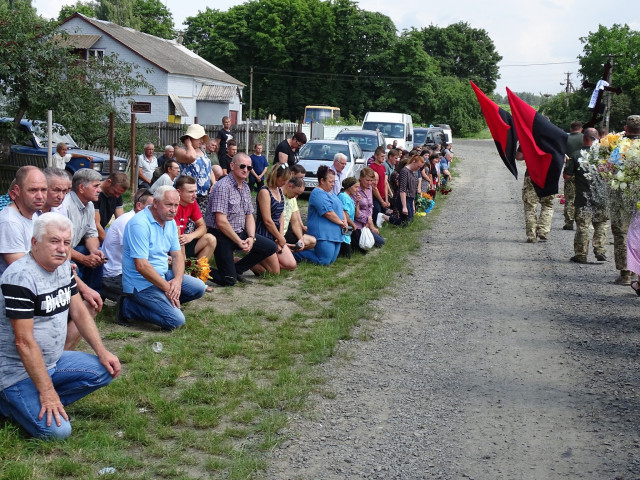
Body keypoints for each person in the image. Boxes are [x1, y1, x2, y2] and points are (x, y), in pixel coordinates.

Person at [0, 212, 120, 440]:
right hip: (15, 371)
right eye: (54, 241)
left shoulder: (63, 267)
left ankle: (36, 403)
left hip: (52, 362)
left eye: (66, 243)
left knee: (106, 369)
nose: (62, 249)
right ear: (35, 242)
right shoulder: (20, 278)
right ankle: (10, 403)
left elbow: (79, 312)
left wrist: (102, 351)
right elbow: (23, 342)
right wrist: (47, 393)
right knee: (58, 432)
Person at [120, 186, 206, 330]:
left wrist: (177, 281)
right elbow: (141, 266)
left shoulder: (170, 222)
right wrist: (167, 288)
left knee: (199, 287)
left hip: (163, 274)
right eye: (169, 205)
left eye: (176, 205)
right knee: (176, 321)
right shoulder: (139, 224)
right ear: (155, 202)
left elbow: (177, 255)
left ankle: (165, 302)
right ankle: (128, 307)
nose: (173, 210)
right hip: (141, 284)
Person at [205, 153, 278, 286]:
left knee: (270, 247)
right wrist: (239, 241)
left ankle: (237, 269)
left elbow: (249, 215)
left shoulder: (245, 186)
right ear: (232, 166)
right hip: (221, 235)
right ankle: (197, 269)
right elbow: (221, 222)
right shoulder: (222, 187)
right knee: (228, 281)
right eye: (242, 166)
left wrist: (251, 237)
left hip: (239, 232)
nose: (246, 170)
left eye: (249, 168)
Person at [101, 188, 154, 301]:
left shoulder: (141, 221)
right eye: (151, 206)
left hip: (126, 271)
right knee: (151, 291)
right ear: (139, 206)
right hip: (115, 275)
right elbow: (138, 257)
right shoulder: (128, 222)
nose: (155, 209)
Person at [564, 128, 608, 264]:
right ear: (598, 138)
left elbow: (566, 176)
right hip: (602, 198)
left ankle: (581, 254)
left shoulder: (576, 155)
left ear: (584, 138)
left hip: (584, 198)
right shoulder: (605, 156)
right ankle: (600, 250)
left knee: (583, 226)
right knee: (600, 224)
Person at [63, 169, 106, 292]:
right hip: (61, 252)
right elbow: (60, 245)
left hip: (71, 249)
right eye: (96, 186)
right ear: (81, 188)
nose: (100, 190)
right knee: (75, 266)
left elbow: (91, 234)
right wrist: (84, 259)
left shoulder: (90, 205)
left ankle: (94, 295)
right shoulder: (64, 206)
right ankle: (79, 296)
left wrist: (94, 251)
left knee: (98, 256)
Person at [294, 166, 346, 266]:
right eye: (330, 181)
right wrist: (341, 223)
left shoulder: (331, 192)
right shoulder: (317, 193)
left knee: (331, 260)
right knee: (324, 261)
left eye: (334, 181)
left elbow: (340, 207)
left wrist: (345, 221)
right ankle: (294, 254)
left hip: (336, 232)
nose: (333, 184)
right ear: (322, 180)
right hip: (323, 233)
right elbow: (328, 212)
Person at [0, 166, 47, 276]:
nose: (40, 196)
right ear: (16, 191)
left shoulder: (34, 214)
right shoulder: (9, 222)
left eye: (43, 190)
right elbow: (21, 269)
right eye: (33, 190)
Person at [253, 164, 296, 274]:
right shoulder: (264, 192)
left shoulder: (279, 190)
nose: (285, 182)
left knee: (291, 264)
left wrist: (280, 237)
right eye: (283, 180)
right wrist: (279, 237)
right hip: (264, 233)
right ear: (275, 176)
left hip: (276, 233)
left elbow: (281, 215)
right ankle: (247, 262)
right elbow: (267, 220)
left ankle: (265, 259)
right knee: (274, 272)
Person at [174, 175, 217, 277]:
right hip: (170, 249)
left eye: (195, 191)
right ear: (179, 192)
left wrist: (191, 236)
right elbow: (178, 240)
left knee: (211, 239)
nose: (195, 195)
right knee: (181, 241)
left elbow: (203, 227)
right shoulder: (174, 206)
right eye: (190, 192)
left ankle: (197, 276)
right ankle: (186, 276)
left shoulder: (192, 203)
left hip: (182, 241)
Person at [174, 124, 213, 233]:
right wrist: (189, 145)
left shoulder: (202, 152)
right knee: (187, 225)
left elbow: (208, 168)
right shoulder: (181, 151)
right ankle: (184, 242)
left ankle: (194, 242)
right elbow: (191, 157)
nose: (201, 141)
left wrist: (213, 182)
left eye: (202, 138)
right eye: (199, 138)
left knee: (200, 224)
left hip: (203, 195)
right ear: (190, 138)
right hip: (188, 194)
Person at [615, 115, 640, 285]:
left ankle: (625, 273)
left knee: (622, 233)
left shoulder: (619, 147)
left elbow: (609, 168)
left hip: (622, 196)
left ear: (626, 128)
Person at [517, 147, 554, 243]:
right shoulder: (555, 140)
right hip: (549, 175)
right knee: (547, 204)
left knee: (530, 206)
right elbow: (563, 159)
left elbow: (519, 156)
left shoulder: (529, 139)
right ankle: (543, 230)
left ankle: (531, 235)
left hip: (531, 174)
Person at [351, 167, 385, 251]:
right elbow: (355, 211)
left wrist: (369, 219)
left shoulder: (369, 188)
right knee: (368, 244)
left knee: (381, 241)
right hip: (357, 223)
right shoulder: (355, 190)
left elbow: (370, 205)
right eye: (367, 180)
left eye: (371, 180)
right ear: (361, 178)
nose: (369, 183)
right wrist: (367, 220)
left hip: (368, 220)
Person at [282, 175, 316, 252]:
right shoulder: (279, 196)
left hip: (286, 231)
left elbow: (295, 222)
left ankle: (291, 252)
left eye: (298, 195)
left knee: (312, 241)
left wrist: (301, 240)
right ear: (290, 186)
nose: (296, 197)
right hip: (278, 234)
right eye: (295, 193)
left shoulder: (292, 199)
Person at [93, 172, 129, 243]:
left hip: (103, 229)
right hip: (91, 234)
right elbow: (96, 225)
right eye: (115, 192)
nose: (117, 196)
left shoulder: (117, 195)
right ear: (109, 182)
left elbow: (121, 220)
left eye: (120, 194)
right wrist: (110, 244)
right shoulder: (95, 194)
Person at [563, 121, 584, 230]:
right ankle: (582, 221)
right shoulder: (586, 138)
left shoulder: (565, 138)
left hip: (570, 170)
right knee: (583, 196)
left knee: (570, 197)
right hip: (584, 171)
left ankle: (569, 222)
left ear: (571, 129)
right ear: (581, 129)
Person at [398, 155, 424, 225]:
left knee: (410, 220)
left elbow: (412, 190)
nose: (418, 169)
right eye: (418, 166)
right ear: (413, 162)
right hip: (404, 198)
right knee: (405, 222)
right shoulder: (404, 171)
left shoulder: (412, 172)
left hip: (410, 199)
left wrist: (413, 205)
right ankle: (384, 217)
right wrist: (404, 206)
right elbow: (402, 189)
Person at [369, 146, 391, 222]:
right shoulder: (372, 167)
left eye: (384, 156)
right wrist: (382, 201)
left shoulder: (383, 167)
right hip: (375, 196)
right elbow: (373, 187)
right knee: (377, 215)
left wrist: (386, 199)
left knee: (385, 215)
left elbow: (385, 183)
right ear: (376, 156)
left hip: (383, 195)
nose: (383, 158)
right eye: (382, 156)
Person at [338, 176, 358, 258]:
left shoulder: (350, 197)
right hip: (344, 228)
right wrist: (353, 224)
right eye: (355, 187)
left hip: (349, 228)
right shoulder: (343, 196)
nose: (357, 189)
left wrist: (358, 203)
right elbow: (345, 214)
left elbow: (356, 214)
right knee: (346, 254)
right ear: (349, 187)